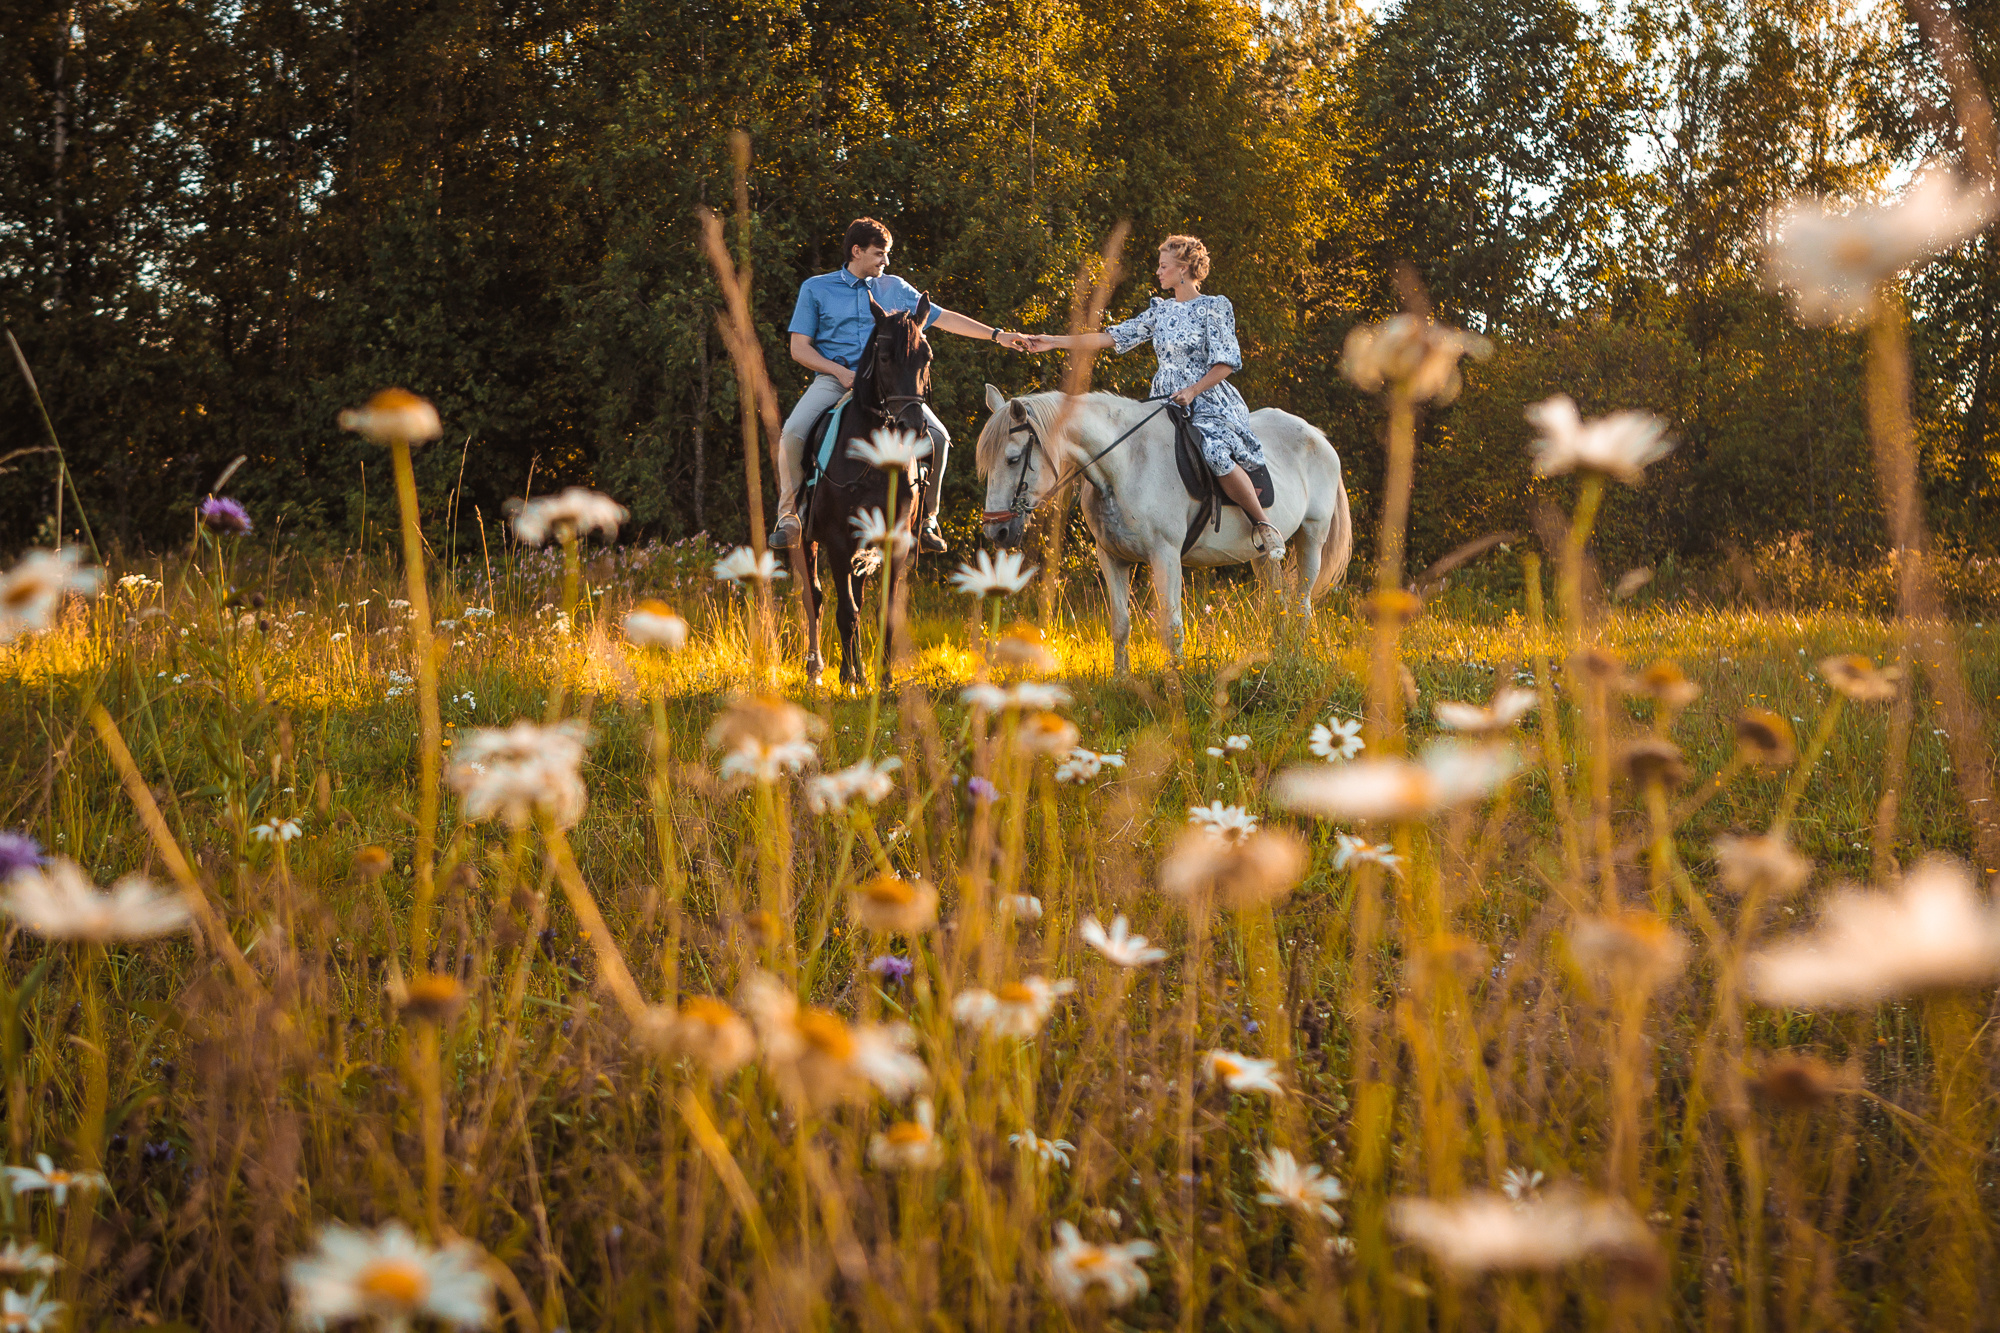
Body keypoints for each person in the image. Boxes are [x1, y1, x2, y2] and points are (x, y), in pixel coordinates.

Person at [774, 217, 1028, 552]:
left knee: (938, 437)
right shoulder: (816, 289)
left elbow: (944, 316)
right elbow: (799, 349)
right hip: (836, 381)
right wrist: (838, 372)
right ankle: (789, 516)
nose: (886, 262)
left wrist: (998, 335)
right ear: (856, 251)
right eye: (880, 254)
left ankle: (926, 521)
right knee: (793, 433)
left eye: (887, 255)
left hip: (889, 388)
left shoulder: (894, 287)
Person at [1024, 234, 1284, 558]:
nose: (1158, 272)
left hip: (1206, 400)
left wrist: (1192, 390)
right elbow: (1110, 337)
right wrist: (1052, 341)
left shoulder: (1214, 307)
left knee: (1216, 452)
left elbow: (1225, 363)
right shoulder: (1160, 311)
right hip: (1164, 400)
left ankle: (1262, 524)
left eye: (1164, 266)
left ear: (1184, 269)